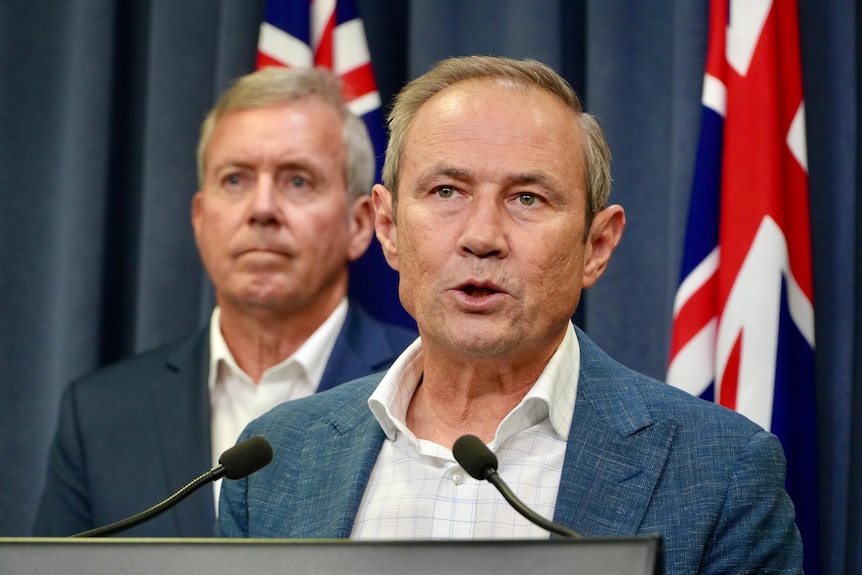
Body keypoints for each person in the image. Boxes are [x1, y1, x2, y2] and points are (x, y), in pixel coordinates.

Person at [216, 56, 803, 573]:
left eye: (527, 198)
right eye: (447, 191)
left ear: (596, 246)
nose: (481, 236)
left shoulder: (718, 471)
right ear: (389, 228)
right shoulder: (274, 461)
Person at [32, 67, 417, 537]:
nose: (262, 209)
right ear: (200, 218)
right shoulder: (100, 414)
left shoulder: (423, 386)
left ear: (358, 225)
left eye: (298, 181)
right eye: (235, 180)